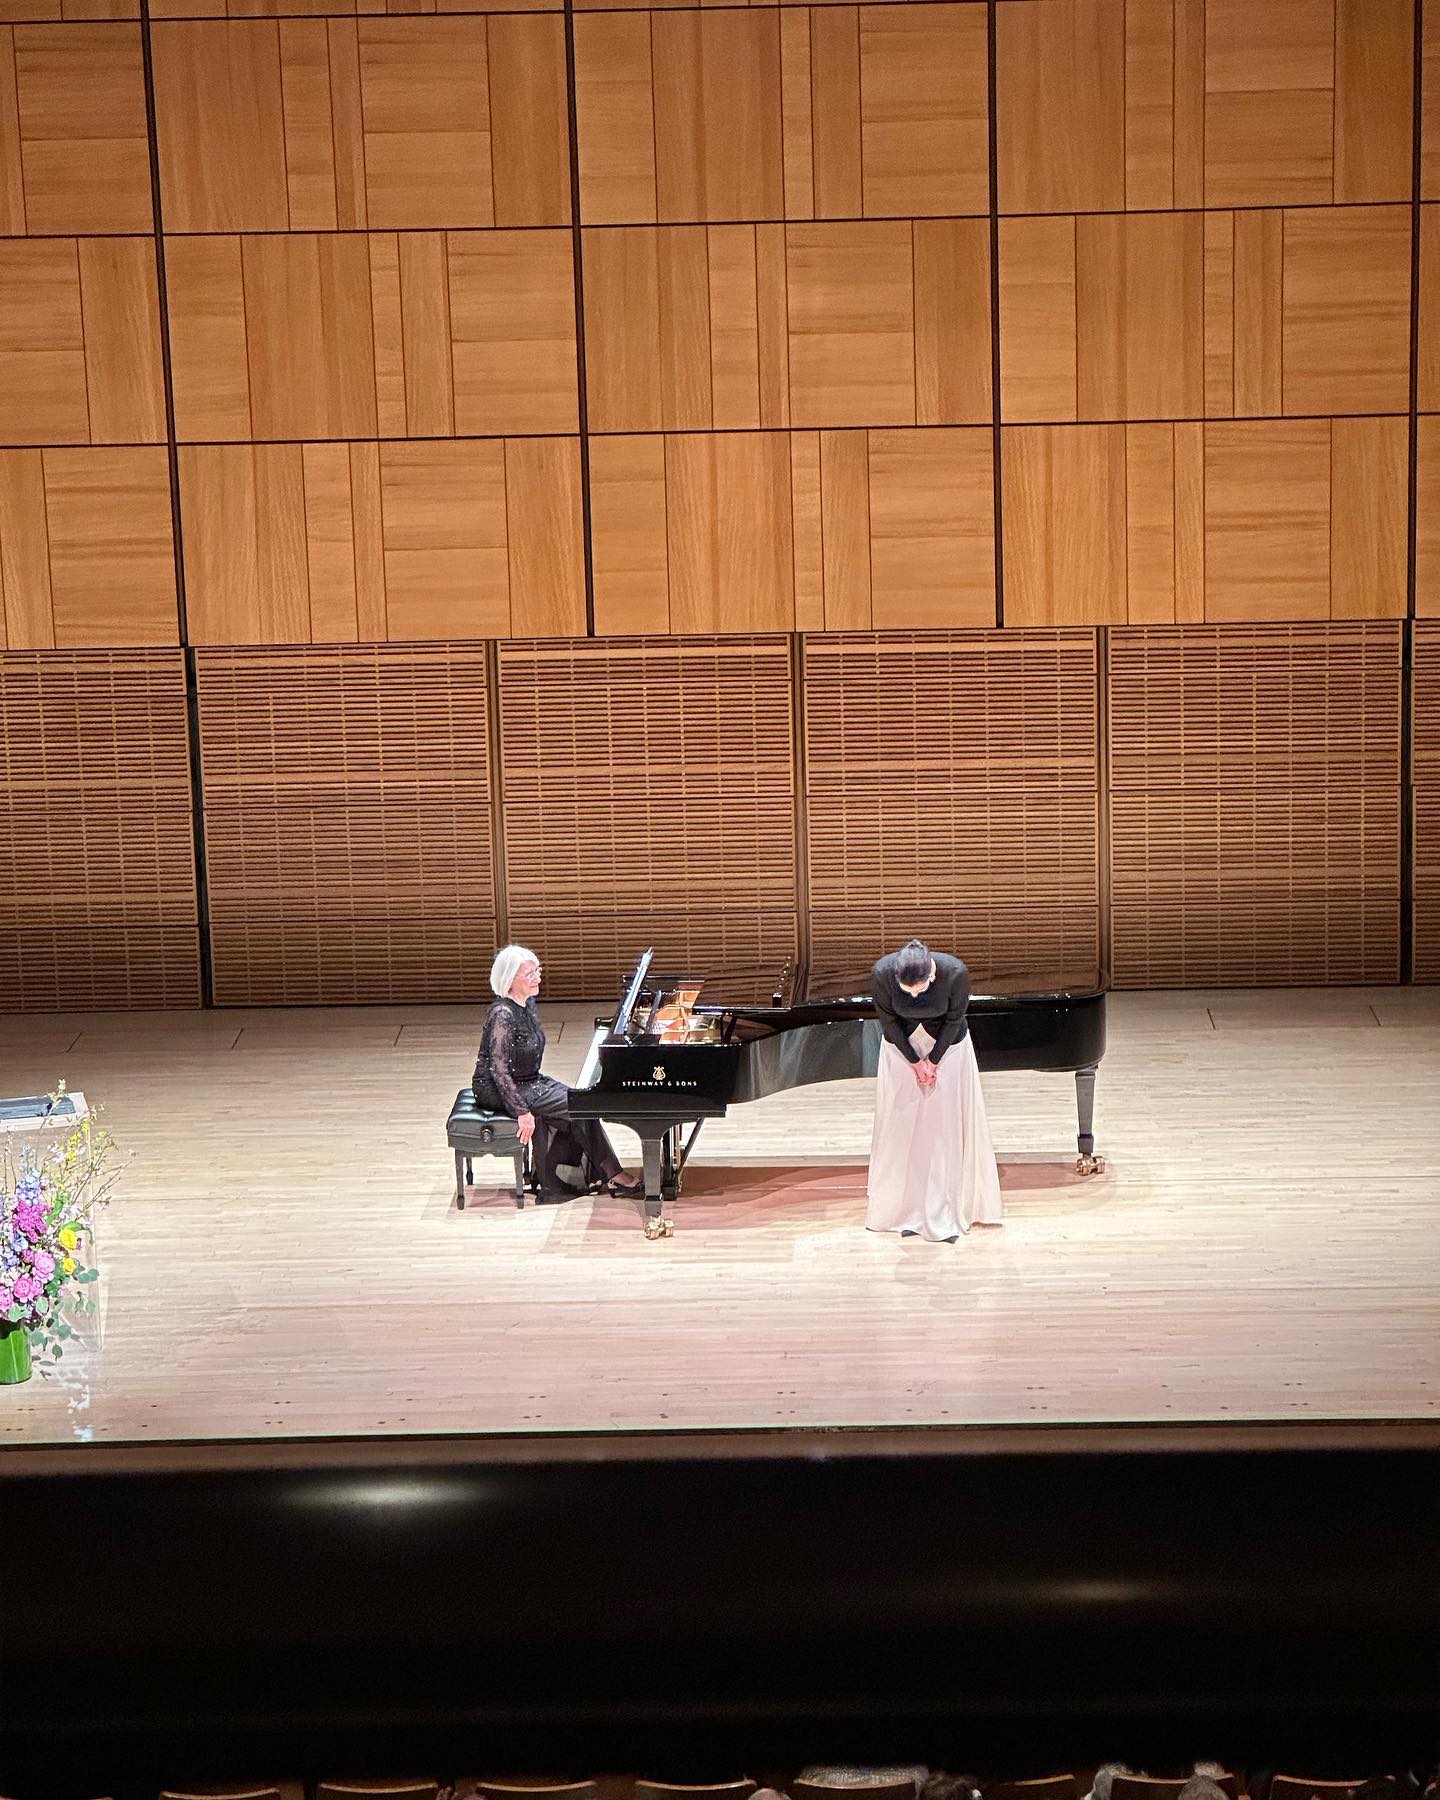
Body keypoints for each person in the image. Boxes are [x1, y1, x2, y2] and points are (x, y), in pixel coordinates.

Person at [473, 944, 642, 1201]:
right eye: (529, 974)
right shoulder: (502, 1014)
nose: (537, 978)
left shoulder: (525, 1006)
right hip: (497, 1087)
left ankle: (562, 1173)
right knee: (579, 1107)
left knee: (581, 1104)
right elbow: (498, 1069)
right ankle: (612, 1174)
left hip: (528, 1080)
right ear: (510, 979)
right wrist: (521, 1111)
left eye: (537, 971)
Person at [865, 936, 1002, 1241]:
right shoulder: (882, 973)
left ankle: (947, 1204)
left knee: (944, 1127)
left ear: (932, 973)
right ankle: (902, 1207)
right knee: (902, 1125)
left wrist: (934, 1060)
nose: (914, 997)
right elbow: (888, 1023)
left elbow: (954, 1019)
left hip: (949, 1048)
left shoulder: (955, 973)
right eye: (907, 991)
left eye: (920, 989)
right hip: (901, 1051)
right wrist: (915, 1062)